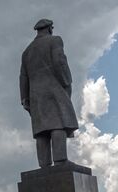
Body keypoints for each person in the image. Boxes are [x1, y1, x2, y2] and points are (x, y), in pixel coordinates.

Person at [20, 18, 78, 168]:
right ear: (50, 28)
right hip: (54, 89)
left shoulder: (27, 51)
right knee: (57, 124)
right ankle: (60, 160)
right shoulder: (55, 41)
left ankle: (44, 165)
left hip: (35, 95)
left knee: (42, 130)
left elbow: (23, 77)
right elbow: (60, 62)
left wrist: (24, 98)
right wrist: (66, 81)